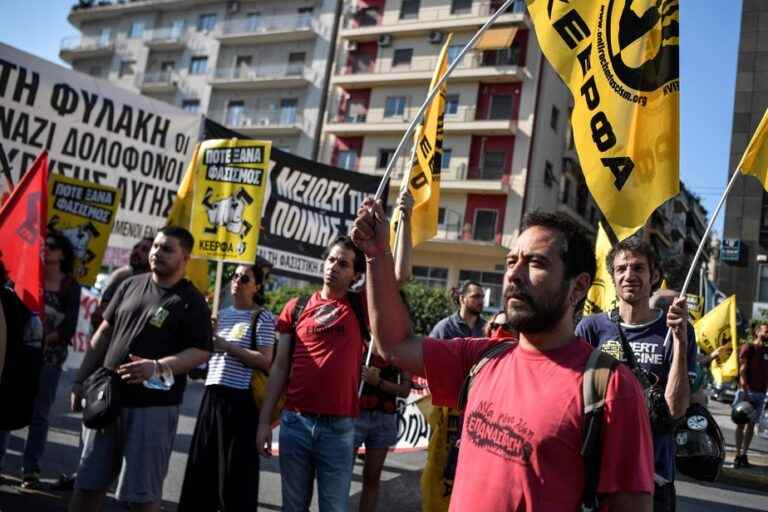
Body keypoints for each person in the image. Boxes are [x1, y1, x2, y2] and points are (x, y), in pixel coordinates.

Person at [352, 201, 654, 511]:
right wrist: (376, 256)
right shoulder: (481, 357)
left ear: (577, 288)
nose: (514, 275)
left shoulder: (613, 388)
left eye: (535, 263)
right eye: (511, 261)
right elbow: (394, 344)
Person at [68, 226, 213, 512]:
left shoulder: (191, 301)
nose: (157, 252)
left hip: (153, 408)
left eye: (167, 248)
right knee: (87, 484)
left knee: (140, 497)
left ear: (186, 257)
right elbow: (103, 336)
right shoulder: (130, 284)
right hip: (106, 400)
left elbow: (200, 352)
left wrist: (157, 367)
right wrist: (80, 380)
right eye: (156, 246)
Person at [576, 237, 697, 512]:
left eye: (638, 268)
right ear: (612, 277)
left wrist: (679, 342)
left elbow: (676, 410)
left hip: (653, 476)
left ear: (654, 276)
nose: (629, 275)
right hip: (595, 475)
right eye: (621, 269)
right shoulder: (590, 329)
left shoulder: (677, 330)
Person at [177, 264, 276, 510]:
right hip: (212, 396)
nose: (237, 281)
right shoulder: (221, 314)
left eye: (245, 278)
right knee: (203, 469)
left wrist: (228, 346)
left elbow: (266, 360)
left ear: (257, 286)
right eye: (235, 276)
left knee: (234, 475)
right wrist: (206, 338)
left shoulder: (261, 317)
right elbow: (206, 359)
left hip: (241, 400)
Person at [0, 231, 81, 488]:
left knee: (39, 414)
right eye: (43, 245)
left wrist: (43, 341)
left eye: (53, 246)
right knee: (5, 406)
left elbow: (68, 327)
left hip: (48, 360)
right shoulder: (23, 276)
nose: (46, 249)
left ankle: (30, 469)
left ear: (63, 253)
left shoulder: (70, 286)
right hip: (17, 356)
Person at [91, 237, 153, 328]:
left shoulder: (157, 285)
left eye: (144, 250)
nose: (137, 252)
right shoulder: (121, 276)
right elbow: (102, 311)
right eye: (136, 247)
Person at [733, 322, 768, 468]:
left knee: (751, 425)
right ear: (757, 332)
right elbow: (742, 370)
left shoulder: (767, 351)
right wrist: (745, 392)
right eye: (766, 331)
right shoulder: (749, 347)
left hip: (760, 394)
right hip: (747, 393)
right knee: (741, 424)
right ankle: (737, 453)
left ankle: (744, 455)